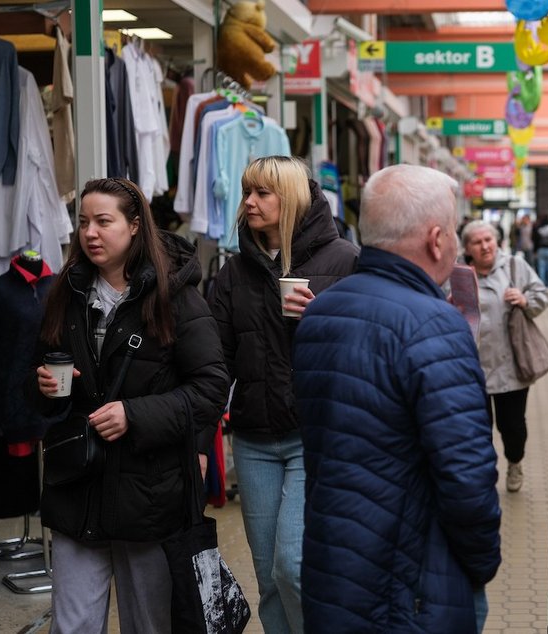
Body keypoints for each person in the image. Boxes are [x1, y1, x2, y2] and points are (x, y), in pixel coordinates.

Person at [292, 164, 501, 633]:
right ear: (436, 240)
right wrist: (481, 562)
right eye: (452, 229)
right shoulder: (436, 325)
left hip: (333, 562)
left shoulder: (322, 312)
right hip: (415, 579)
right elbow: (466, 473)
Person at [30, 177, 229, 633]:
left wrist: (134, 415)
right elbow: (37, 378)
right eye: (83, 222)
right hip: (77, 490)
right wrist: (40, 386)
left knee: (148, 625)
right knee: (72, 626)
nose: (90, 233)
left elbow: (211, 387)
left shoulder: (176, 296)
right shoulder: (66, 292)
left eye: (103, 221)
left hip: (149, 497)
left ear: (135, 225)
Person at [208, 155, 358, 633]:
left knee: (292, 565)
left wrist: (323, 319)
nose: (249, 202)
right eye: (246, 192)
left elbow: (368, 347)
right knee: (268, 577)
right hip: (253, 439)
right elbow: (215, 361)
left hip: (314, 436)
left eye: (262, 193)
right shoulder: (233, 273)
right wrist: (198, 436)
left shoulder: (345, 261)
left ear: (290, 199)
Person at [461, 220, 548, 492]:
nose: (485, 246)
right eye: (477, 242)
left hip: (510, 364)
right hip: (471, 367)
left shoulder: (514, 266)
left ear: (497, 241)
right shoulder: (459, 273)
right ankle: (484, 474)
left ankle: (514, 461)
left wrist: (524, 300)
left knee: (512, 426)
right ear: (467, 248)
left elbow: (542, 295)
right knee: (478, 428)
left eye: (488, 239)